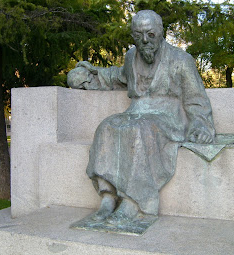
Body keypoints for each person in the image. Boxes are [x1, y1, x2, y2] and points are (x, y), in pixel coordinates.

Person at [69, 10, 215, 224]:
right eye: (138, 35)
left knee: (140, 130)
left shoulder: (181, 60)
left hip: (168, 119)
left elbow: (196, 100)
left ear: (160, 32)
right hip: (136, 113)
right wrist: (88, 76)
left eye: (150, 34)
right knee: (106, 126)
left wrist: (201, 127)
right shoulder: (131, 56)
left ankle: (133, 201)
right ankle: (108, 198)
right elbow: (116, 77)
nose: (144, 40)